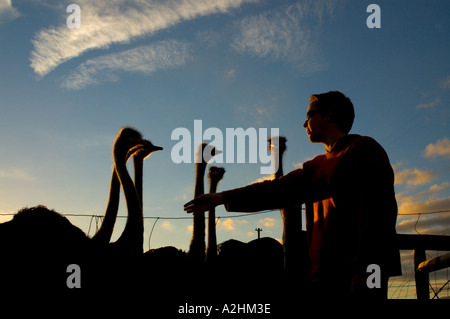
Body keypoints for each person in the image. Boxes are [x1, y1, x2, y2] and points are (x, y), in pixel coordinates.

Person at [184, 91, 401, 300]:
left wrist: (369, 271)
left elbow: (380, 213)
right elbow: (275, 190)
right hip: (323, 279)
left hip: (358, 278)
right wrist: (221, 197)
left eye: (309, 115)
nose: (304, 124)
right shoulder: (317, 166)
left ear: (328, 114)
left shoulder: (363, 149)